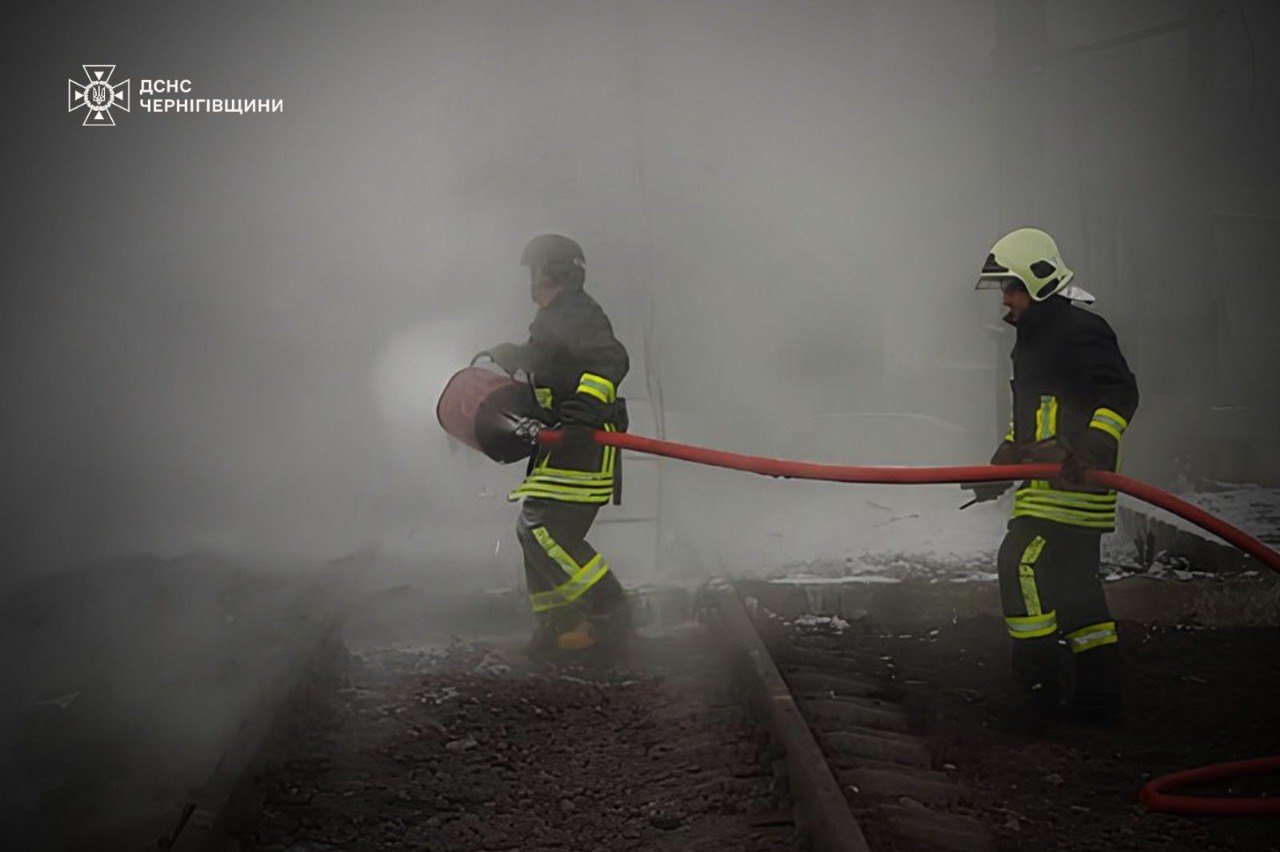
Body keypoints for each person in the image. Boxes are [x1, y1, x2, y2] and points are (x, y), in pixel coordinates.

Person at [969, 227, 1139, 717]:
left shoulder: (1081, 330)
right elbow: (1030, 416)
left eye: (1012, 287)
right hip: (1044, 486)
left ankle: (1038, 689)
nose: (1005, 298)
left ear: (1038, 281)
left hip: (1072, 486)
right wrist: (1001, 465)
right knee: (1076, 590)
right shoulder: (1031, 341)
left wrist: (1091, 450)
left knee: (1018, 562)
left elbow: (1120, 393)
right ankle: (1099, 698)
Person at [475, 234, 631, 658]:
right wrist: (513, 355)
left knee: (541, 528)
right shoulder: (556, 316)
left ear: (554, 272)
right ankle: (559, 625)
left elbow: (611, 360)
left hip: (585, 443)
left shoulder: (578, 312)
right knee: (533, 530)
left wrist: (583, 411)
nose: (531, 281)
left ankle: (610, 612)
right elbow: (551, 359)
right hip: (563, 440)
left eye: (535, 271)